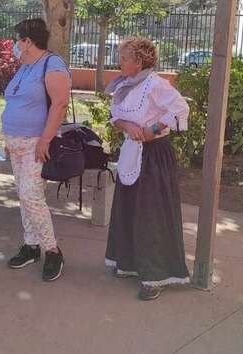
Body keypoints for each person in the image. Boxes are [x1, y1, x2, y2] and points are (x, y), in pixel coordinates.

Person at [103, 37, 191, 301]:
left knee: (151, 214)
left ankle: (155, 276)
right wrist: (127, 126)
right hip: (132, 152)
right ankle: (129, 262)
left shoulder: (156, 85)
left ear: (139, 61)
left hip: (154, 157)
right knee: (129, 209)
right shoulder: (124, 86)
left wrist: (153, 129)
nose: (119, 62)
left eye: (124, 58)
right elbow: (115, 116)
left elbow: (180, 109)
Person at [1, 18, 69, 282]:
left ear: (28, 41)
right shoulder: (26, 65)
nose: (15, 44)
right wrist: (9, 138)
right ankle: (31, 246)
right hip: (16, 144)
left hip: (36, 145)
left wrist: (45, 140)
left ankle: (52, 250)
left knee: (31, 196)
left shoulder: (52, 64)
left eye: (17, 39)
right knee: (24, 196)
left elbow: (60, 104)